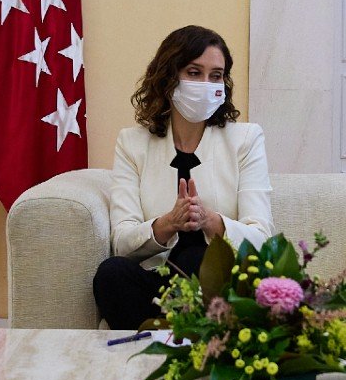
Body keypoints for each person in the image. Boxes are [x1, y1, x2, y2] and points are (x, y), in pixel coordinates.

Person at [93, 26, 273, 329]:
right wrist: (168, 224)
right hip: (158, 283)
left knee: (197, 258)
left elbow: (263, 240)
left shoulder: (245, 139)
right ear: (168, 77)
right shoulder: (132, 143)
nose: (206, 84)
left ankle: (175, 341)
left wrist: (211, 221)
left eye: (216, 76)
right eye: (194, 72)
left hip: (219, 286)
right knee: (111, 273)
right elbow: (122, 241)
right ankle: (172, 342)